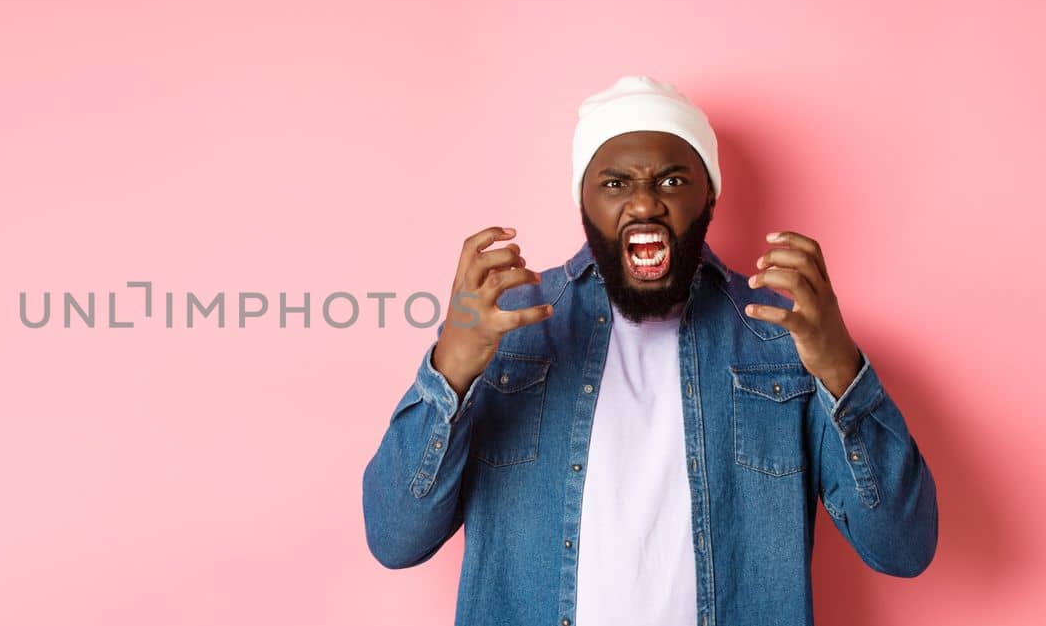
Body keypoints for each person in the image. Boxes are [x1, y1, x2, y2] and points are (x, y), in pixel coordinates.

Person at [360, 75, 937, 626]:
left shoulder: (784, 337)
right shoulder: (505, 328)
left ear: (709, 193)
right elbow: (395, 538)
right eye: (614, 183)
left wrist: (839, 365)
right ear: (582, 200)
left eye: (671, 181)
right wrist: (451, 370)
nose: (643, 205)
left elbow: (903, 547)